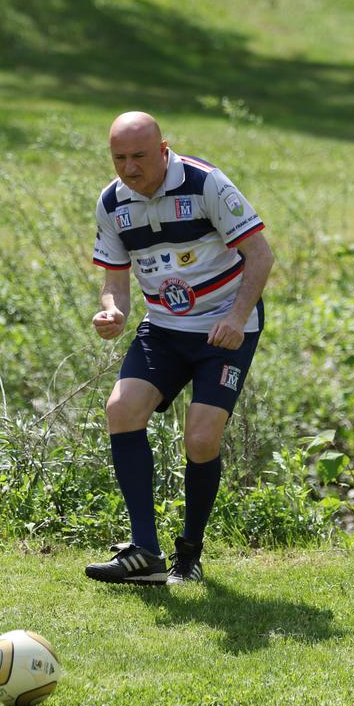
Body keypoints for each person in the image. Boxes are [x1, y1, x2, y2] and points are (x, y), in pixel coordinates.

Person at [85, 111, 274, 586]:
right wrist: (113, 312)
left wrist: (234, 318)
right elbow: (116, 283)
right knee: (121, 409)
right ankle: (145, 553)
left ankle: (188, 551)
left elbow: (261, 254)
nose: (129, 168)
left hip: (225, 328)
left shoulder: (205, 182)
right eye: (119, 158)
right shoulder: (112, 202)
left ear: (163, 148)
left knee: (201, 438)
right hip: (165, 328)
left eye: (139, 156)